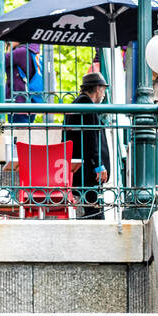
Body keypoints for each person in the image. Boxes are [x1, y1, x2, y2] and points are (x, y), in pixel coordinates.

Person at [64, 71, 111, 219]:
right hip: (89, 170)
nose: (103, 95)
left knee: (91, 210)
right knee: (95, 212)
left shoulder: (77, 103)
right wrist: (99, 165)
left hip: (81, 167)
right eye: (103, 90)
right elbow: (90, 138)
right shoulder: (86, 104)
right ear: (97, 88)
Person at [4, 42, 44, 124]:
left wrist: (8, 48)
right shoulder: (33, 50)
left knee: (19, 132)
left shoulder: (21, 52)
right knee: (24, 130)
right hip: (29, 98)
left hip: (19, 100)